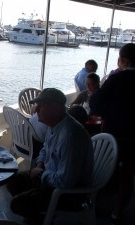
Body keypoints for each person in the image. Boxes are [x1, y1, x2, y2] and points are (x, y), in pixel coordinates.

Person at [7, 88, 93, 224]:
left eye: (41, 106)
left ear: (56, 108)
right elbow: (45, 149)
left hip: (69, 192)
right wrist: (40, 164)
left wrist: (41, 174)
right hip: (51, 177)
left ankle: (38, 217)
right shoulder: (55, 125)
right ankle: (38, 216)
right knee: (12, 179)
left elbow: (65, 181)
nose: (36, 110)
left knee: (17, 204)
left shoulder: (70, 136)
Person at [89, 43, 135, 225]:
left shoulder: (117, 79)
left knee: (104, 172)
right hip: (134, 139)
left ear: (123, 60)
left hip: (113, 135)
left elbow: (96, 104)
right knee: (127, 176)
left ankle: (96, 206)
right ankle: (117, 213)